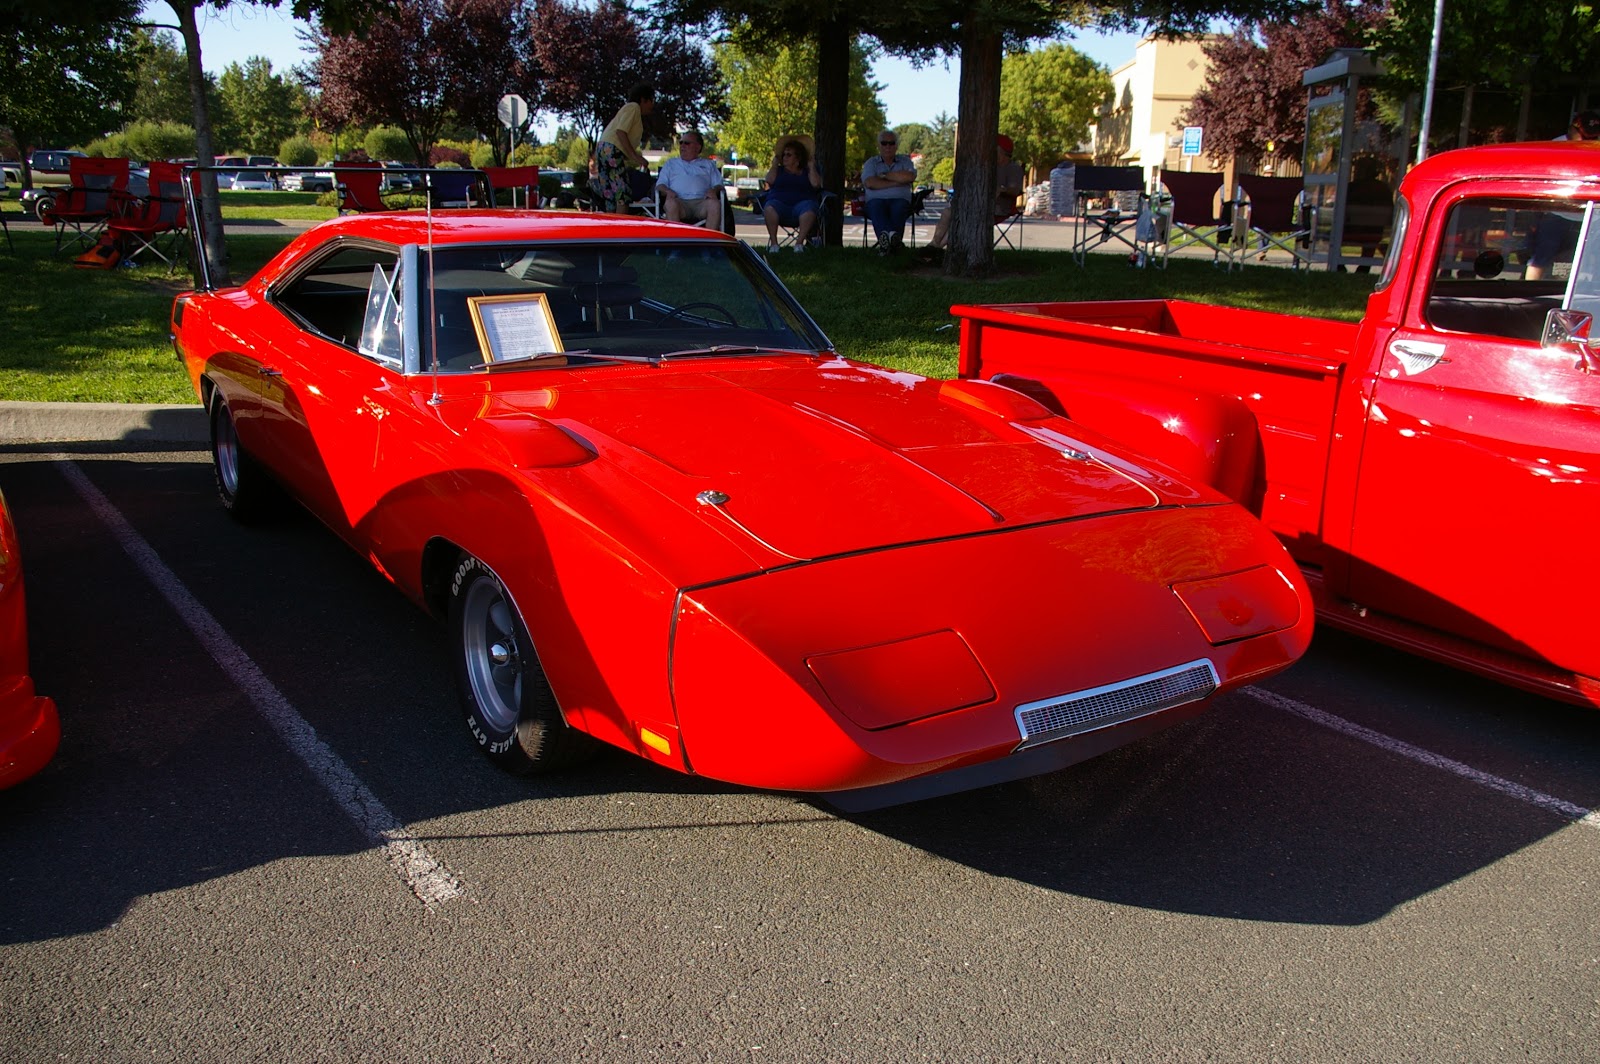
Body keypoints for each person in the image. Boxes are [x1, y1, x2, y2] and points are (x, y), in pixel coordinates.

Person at [917, 134, 1024, 262]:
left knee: (962, 218)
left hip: (998, 208)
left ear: (1001, 151)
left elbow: (1015, 190)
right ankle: (934, 245)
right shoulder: (988, 167)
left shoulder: (1013, 168)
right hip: (976, 204)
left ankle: (935, 250)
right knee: (947, 212)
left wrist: (1001, 189)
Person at [1526, 110, 1598, 278]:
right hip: (1556, 213)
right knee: (1540, 258)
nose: (1590, 141)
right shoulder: (1556, 147)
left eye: (1593, 137)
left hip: (1587, 215)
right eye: (1585, 136)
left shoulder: (1596, 147)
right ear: (1573, 130)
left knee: (1588, 261)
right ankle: (1530, 292)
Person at [595, 83, 654, 213]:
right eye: (651, 100)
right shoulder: (633, 108)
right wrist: (636, 158)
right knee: (622, 194)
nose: (652, 105)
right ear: (644, 99)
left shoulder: (628, 109)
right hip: (612, 149)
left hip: (603, 148)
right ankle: (620, 228)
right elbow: (621, 132)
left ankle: (610, 226)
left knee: (609, 193)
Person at [762, 137, 823, 253]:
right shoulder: (778, 171)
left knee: (809, 209)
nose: (784, 157)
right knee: (769, 208)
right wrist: (774, 165)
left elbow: (816, 184)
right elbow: (769, 180)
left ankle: (799, 244)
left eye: (788, 155)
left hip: (802, 205)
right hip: (779, 205)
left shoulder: (807, 171)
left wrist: (811, 166)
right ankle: (774, 245)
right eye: (784, 154)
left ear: (798, 158)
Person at [861, 130, 916, 254]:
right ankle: (893, 242)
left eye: (891, 143)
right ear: (879, 145)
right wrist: (897, 181)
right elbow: (870, 183)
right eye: (884, 143)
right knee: (876, 207)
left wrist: (884, 176)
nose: (888, 146)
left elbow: (909, 177)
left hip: (900, 201)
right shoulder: (871, 163)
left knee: (899, 207)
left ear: (896, 145)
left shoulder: (905, 161)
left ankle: (886, 245)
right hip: (875, 201)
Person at [656, 129, 722, 230]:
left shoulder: (708, 164)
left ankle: (709, 244)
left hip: (702, 202)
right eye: (681, 143)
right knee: (670, 203)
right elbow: (660, 185)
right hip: (679, 202)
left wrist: (714, 190)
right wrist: (667, 191)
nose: (682, 146)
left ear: (697, 147)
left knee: (715, 204)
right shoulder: (671, 163)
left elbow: (719, 184)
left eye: (687, 143)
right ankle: (676, 243)